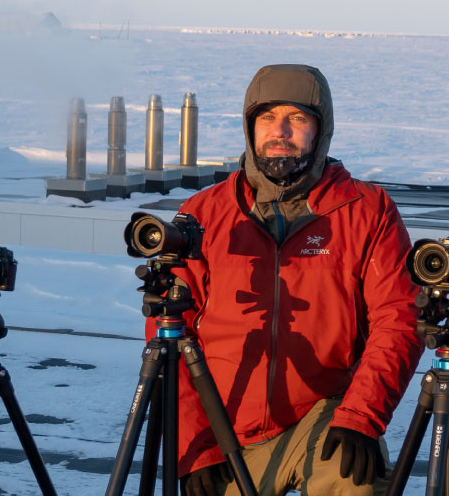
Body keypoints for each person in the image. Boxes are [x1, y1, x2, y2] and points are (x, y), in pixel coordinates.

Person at [157, 64, 423, 496]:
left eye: (297, 118)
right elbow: (170, 332)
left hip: (322, 417)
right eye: (266, 117)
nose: (279, 130)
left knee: (350, 476)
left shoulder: (366, 209)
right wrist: (196, 445)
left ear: (322, 129)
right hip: (224, 433)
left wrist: (361, 416)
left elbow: (398, 319)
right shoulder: (206, 213)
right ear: (249, 126)